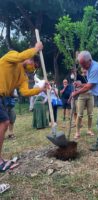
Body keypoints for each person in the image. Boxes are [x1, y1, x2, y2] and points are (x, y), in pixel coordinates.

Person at [0, 41, 48, 172]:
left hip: (2, 98)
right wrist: (35, 48)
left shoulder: (23, 77)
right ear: (29, 58)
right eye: (34, 64)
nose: (34, 68)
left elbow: (25, 92)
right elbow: (20, 57)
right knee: (4, 123)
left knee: (4, 123)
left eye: (36, 67)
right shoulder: (12, 56)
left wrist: (41, 89)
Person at [72, 51, 98, 151]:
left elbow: (90, 86)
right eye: (81, 64)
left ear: (89, 60)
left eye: (83, 64)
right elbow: (91, 84)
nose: (82, 67)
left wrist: (76, 93)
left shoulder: (95, 68)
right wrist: (80, 85)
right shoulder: (91, 67)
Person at [74, 68, 94, 139]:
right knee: (79, 115)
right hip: (81, 96)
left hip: (90, 95)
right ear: (81, 69)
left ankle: (89, 130)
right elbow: (76, 85)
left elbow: (90, 85)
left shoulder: (91, 75)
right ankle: (77, 132)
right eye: (83, 68)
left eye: (86, 68)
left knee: (90, 114)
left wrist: (81, 85)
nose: (84, 69)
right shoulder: (78, 76)